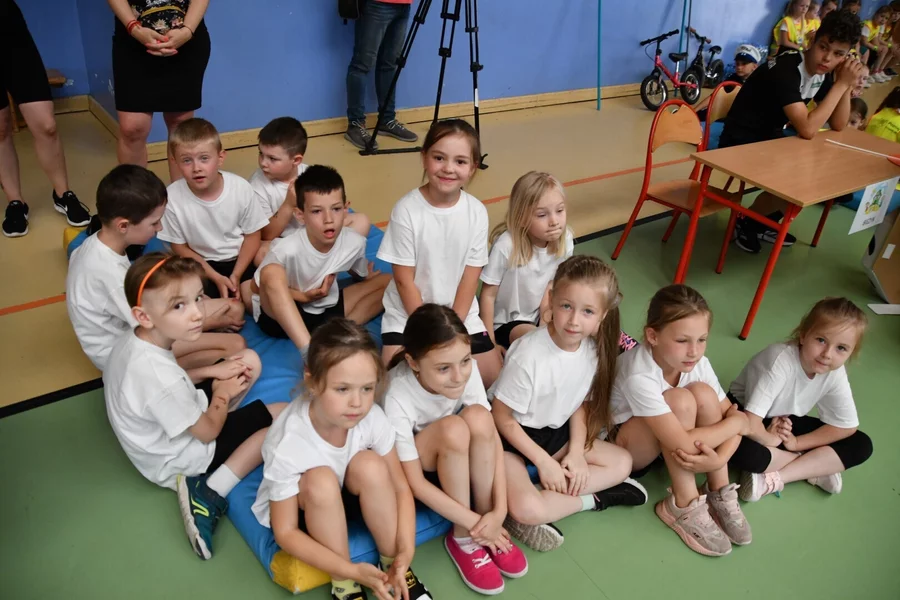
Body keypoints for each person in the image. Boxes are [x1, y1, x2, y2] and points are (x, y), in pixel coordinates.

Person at [104, 252, 287, 560]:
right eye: (179, 306)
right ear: (144, 316)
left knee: (248, 362)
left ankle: (221, 412)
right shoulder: (160, 378)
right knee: (284, 417)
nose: (197, 314)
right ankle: (209, 491)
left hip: (169, 422)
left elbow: (170, 385)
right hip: (179, 456)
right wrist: (221, 396)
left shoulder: (137, 340)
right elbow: (206, 432)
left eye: (198, 298)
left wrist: (212, 372)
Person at [252, 319, 432, 600]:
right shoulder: (287, 443)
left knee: (371, 466)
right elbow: (285, 532)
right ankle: (344, 585)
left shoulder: (372, 418)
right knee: (321, 480)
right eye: (342, 389)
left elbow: (400, 488)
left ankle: (392, 570)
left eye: (367, 389)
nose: (357, 403)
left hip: (348, 494)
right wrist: (349, 570)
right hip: (308, 509)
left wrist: (404, 552)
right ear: (312, 381)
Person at [492, 256, 647, 553]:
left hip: (555, 431)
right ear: (551, 299)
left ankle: (557, 501)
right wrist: (544, 462)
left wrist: (575, 453)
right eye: (566, 306)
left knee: (622, 462)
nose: (574, 320)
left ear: (602, 316)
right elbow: (502, 418)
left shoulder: (590, 350)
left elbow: (578, 405)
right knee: (527, 508)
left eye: (587, 311)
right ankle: (589, 500)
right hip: (511, 438)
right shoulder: (528, 356)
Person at [383, 304, 527, 595]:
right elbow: (414, 483)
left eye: (464, 361)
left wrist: (497, 511)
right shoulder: (396, 394)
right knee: (453, 428)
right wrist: (473, 524)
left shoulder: (464, 370)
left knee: (479, 416)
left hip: (458, 460)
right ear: (413, 363)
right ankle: (464, 538)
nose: (459, 376)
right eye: (443, 368)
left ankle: (486, 524)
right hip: (420, 469)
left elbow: (493, 440)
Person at [610, 284, 751, 557]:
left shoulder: (698, 363)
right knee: (679, 400)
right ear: (653, 336)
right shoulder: (639, 374)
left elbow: (731, 415)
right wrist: (736, 425)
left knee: (704, 394)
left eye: (702, 339)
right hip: (627, 447)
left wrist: (720, 459)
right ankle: (683, 503)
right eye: (683, 341)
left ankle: (718, 488)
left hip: (672, 440)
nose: (694, 351)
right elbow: (729, 425)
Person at [67, 165, 246, 374]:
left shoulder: (96, 245)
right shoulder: (111, 274)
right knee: (236, 345)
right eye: (154, 223)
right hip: (127, 355)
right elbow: (152, 328)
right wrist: (209, 322)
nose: (159, 228)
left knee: (234, 309)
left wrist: (192, 305)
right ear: (123, 225)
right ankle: (179, 375)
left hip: (142, 324)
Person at [720, 9, 864, 254]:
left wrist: (845, 83)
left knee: (817, 173)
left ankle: (759, 221)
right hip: (740, 141)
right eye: (823, 47)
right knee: (798, 181)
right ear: (812, 39)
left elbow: (839, 124)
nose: (827, 58)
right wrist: (841, 84)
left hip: (770, 140)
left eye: (838, 54)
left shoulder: (822, 72)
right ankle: (746, 221)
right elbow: (807, 129)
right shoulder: (787, 68)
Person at [377, 119, 503, 387]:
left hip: (459, 313)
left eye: (460, 161)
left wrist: (452, 331)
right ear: (424, 158)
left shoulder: (476, 212)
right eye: (439, 158)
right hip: (410, 314)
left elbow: (470, 278)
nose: (448, 168)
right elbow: (404, 280)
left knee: (492, 377)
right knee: (398, 381)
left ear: (473, 167)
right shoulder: (406, 210)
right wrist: (430, 334)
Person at [727, 297, 873, 502]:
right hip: (743, 414)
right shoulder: (779, 360)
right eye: (821, 340)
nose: (827, 354)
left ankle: (776, 477)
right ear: (803, 335)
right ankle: (816, 467)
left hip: (783, 422)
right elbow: (750, 422)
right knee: (739, 452)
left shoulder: (835, 371)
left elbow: (845, 427)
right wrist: (770, 440)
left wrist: (797, 443)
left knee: (861, 444)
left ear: (850, 352)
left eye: (841, 348)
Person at [248, 166, 391, 355]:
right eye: (316, 211)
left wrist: (365, 277)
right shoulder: (287, 248)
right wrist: (302, 296)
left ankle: (335, 335)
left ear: (346, 209)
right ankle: (309, 352)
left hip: (325, 309)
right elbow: (256, 287)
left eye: (336, 209)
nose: (328, 219)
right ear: (300, 215)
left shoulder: (354, 242)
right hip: (280, 318)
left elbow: (357, 269)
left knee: (389, 281)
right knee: (271, 272)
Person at [0, 0, 90, 238]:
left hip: (9, 30)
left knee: (46, 125)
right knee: (0, 129)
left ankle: (62, 194)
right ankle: (15, 202)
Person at [158, 118, 268, 299]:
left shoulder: (240, 188)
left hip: (241, 259)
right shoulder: (172, 197)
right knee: (193, 301)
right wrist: (215, 277)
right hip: (200, 265)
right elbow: (179, 247)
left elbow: (253, 236)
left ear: (220, 158)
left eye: (204, 158)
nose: (196, 168)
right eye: (186, 161)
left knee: (252, 298)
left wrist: (236, 275)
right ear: (175, 162)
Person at [107, 0, 212, 182]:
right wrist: (134, 28)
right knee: (133, 128)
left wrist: (187, 31)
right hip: (133, 37)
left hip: (185, 38)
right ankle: (135, 195)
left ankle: (180, 195)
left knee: (180, 124)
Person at [249, 117, 371, 264]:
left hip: (317, 235)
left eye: (272, 158)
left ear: (296, 160)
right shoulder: (256, 186)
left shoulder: (308, 173)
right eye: (261, 154)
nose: (263, 162)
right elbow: (266, 235)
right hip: (289, 244)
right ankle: (325, 264)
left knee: (361, 221)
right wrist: (288, 204)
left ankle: (322, 263)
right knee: (260, 253)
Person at [479, 171, 574, 350]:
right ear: (521, 218)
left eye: (560, 210)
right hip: (506, 323)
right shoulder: (506, 246)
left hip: (538, 316)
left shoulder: (566, 239)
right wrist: (490, 344)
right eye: (542, 215)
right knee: (538, 344)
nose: (554, 221)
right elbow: (487, 295)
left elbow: (551, 286)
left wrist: (545, 323)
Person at [345, 0, 418, 150]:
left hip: (404, 4)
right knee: (361, 65)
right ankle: (355, 124)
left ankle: (387, 120)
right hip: (377, 4)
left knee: (390, 65)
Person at [694, 44, 762, 122]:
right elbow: (715, 97)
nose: (739, 67)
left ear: (754, 66)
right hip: (732, 113)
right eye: (737, 64)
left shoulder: (760, 82)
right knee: (699, 115)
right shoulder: (733, 78)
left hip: (748, 119)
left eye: (744, 64)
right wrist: (695, 110)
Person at [860, 6, 891, 83]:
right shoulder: (868, 25)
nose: (883, 20)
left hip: (865, 45)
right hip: (859, 45)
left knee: (883, 49)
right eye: (882, 16)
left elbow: (875, 39)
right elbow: (864, 42)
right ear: (875, 14)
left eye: (886, 18)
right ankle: (863, 75)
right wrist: (876, 48)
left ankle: (875, 71)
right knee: (870, 51)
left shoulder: (877, 26)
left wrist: (879, 49)